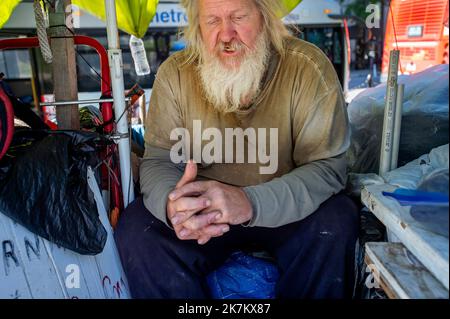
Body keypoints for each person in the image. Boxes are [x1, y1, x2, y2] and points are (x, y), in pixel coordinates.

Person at [114, 0, 359, 299]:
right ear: (197, 27)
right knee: (137, 231)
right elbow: (160, 158)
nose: (226, 34)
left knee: (336, 220)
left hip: (286, 208)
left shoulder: (306, 67)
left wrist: (249, 202)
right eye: (212, 21)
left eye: (238, 17)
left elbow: (327, 167)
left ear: (265, 19)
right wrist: (174, 206)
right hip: (203, 214)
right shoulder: (175, 74)